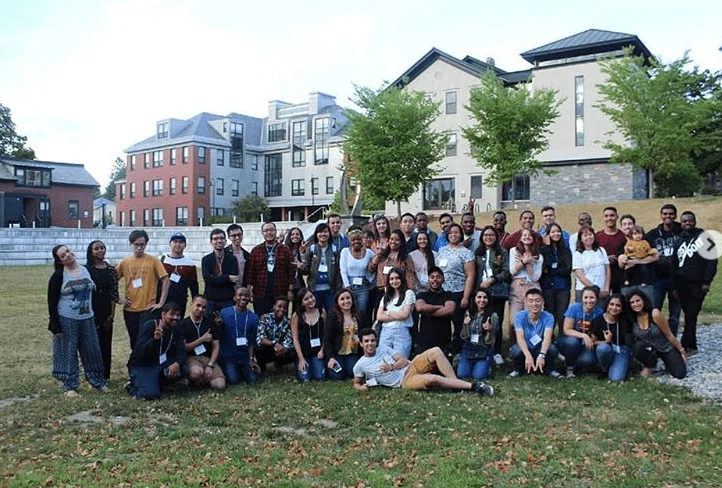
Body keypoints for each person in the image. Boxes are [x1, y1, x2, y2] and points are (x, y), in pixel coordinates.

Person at [352, 328, 493, 395]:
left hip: (410, 366)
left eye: (372, 340)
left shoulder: (383, 348)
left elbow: (401, 359)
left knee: (436, 351)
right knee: (432, 379)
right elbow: (356, 383)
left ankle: (456, 385)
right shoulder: (360, 364)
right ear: (361, 344)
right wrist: (361, 388)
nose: (370, 344)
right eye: (366, 341)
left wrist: (391, 366)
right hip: (404, 381)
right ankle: (474, 387)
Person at [48, 245, 107, 397]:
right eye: (63, 255)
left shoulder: (86, 269)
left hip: (87, 317)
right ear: (60, 261)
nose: (67, 255)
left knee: (92, 350)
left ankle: (97, 382)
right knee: (68, 351)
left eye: (68, 251)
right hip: (67, 319)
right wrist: (55, 323)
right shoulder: (58, 276)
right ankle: (70, 385)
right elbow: (52, 300)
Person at [671, 211, 718, 353]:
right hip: (681, 283)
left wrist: (706, 281)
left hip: (697, 283)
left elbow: (712, 260)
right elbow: (674, 263)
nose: (687, 223)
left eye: (690, 221)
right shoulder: (679, 239)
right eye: (684, 221)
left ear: (695, 221)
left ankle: (688, 344)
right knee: (687, 313)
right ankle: (689, 342)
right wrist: (673, 286)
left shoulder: (703, 237)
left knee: (692, 313)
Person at [116, 229, 169, 349]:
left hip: (148, 309)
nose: (139, 248)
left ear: (146, 244)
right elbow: (112, 281)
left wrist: (160, 303)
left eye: (142, 244)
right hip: (130, 310)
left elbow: (166, 280)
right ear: (130, 244)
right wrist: (118, 299)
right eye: (136, 244)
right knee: (134, 340)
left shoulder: (154, 261)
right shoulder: (125, 263)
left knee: (146, 339)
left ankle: (147, 365)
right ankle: (135, 365)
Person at [126, 302, 187, 399]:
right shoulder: (150, 326)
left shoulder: (176, 330)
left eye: (178, 315)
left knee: (183, 369)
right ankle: (132, 385)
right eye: (172, 314)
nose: (175, 317)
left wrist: (177, 363)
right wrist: (154, 340)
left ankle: (154, 383)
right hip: (143, 366)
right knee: (151, 395)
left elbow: (181, 351)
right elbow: (140, 351)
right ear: (163, 314)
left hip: (160, 364)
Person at [629, 290, 687, 379]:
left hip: (664, 347)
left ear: (643, 300)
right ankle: (650, 365)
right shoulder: (631, 318)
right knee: (637, 347)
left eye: (638, 301)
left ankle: (664, 362)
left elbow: (669, 334)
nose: (636, 304)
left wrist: (681, 349)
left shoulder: (654, 314)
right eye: (632, 302)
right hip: (648, 350)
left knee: (680, 373)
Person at [436, 223, 475, 354]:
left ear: (461, 234)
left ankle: (458, 351)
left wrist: (465, 296)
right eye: (451, 232)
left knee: (458, 324)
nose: (453, 235)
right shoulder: (441, 251)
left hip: (458, 292)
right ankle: (444, 350)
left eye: (456, 232)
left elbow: (470, 276)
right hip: (442, 292)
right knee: (442, 323)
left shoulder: (466, 253)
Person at [645, 204, 682, 335]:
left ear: (675, 215)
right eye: (665, 214)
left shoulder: (682, 233)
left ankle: (672, 341)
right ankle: (657, 339)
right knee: (655, 310)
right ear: (661, 215)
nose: (668, 216)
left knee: (675, 312)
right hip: (658, 278)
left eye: (671, 214)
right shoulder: (652, 234)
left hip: (677, 279)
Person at [508, 288, 562, 378]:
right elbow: (520, 337)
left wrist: (542, 355)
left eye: (537, 301)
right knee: (516, 350)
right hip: (525, 348)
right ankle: (518, 370)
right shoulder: (519, 316)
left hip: (539, 348)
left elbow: (547, 337)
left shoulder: (548, 317)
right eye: (531, 301)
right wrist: (528, 355)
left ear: (543, 301)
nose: (534, 304)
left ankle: (549, 370)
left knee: (552, 349)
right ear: (526, 302)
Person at [474, 225, 510, 357]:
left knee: (497, 321)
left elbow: (506, 272)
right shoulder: (478, 253)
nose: (488, 238)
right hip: (481, 292)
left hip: (497, 292)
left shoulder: (502, 252)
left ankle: (497, 352)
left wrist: (493, 279)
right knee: (482, 320)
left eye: (491, 235)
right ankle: (482, 348)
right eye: (486, 235)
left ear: (496, 237)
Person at [85, 239, 119, 380]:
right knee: (91, 343)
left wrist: (111, 315)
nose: (100, 251)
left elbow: (114, 293)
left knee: (105, 343)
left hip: (106, 308)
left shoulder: (111, 270)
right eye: (96, 249)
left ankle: (105, 375)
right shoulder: (86, 270)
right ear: (91, 252)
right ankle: (91, 373)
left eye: (102, 248)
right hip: (90, 309)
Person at [247, 222, 295, 317]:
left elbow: (291, 271)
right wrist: (249, 291)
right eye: (266, 230)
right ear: (262, 233)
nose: (269, 233)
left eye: (271, 230)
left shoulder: (285, 249)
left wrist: (290, 290)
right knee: (262, 319)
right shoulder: (256, 250)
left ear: (275, 231)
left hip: (281, 291)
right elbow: (250, 273)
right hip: (261, 292)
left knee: (280, 319)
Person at [557, 285, 604, 378]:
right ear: (581, 298)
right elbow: (566, 329)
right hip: (570, 339)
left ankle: (575, 363)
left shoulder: (600, 312)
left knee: (587, 360)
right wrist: (584, 335)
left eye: (592, 297)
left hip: (588, 343)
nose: (588, 301)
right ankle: (569, 368)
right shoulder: (574, 308)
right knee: (572, 342)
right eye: (586, 297)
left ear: (596, 299)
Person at [181, 295, 226, 390]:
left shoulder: (211, 324)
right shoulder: (183, 324)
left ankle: (203, 380)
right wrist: (202, 339)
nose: (200, 309)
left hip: (207, 358)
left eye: (204, 307)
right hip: (191, 358)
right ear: (191, 304)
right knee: (196, 373)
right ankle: (196, 379)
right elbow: (183, 348)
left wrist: (210, 365)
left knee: (220, 385)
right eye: (198, 305)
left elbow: (216, 347)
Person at [507, 228, 543, 345]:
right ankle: (514, 346)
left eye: (529, 235)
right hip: (517, 286)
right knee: (514, 320)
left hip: (532, 287)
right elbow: (512, 271)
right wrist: (522, 262)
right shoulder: (514, 251)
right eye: (524, 235)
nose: (527, 237)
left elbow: (535, 277)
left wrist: (527, 264)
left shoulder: (539, 256)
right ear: (521, 238)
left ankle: (533, 345)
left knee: (532, 319)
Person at [218, 288, 260, 384]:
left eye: (246, 295)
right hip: (228, 355)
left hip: (244, 356)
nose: (243, 297)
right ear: (234, 297)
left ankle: (243, 369)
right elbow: (218, 335)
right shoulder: (224, 313)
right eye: (240, 295)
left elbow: (252, 341)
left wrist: (251, 359)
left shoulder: (254, 318)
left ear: (249, 298)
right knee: (234, 380)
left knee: (252, 380)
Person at [369, 229, 417, 310]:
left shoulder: (405, 257)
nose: (393, 242)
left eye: (397, 240)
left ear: (401, 242)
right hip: (381, 291)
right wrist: (379, 254)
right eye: (391, 239)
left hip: (398, 292)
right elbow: (371, 268)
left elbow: (410, 276)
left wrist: (410, 293)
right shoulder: (383, 255)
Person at [457, 287, 498, 380]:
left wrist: (489, 330)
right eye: (479, 297)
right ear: (474, 299)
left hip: (484, 348)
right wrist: (465, 325)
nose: (482, 300)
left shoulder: (493, 316)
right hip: (469, 348)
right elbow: (464, 337)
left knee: (478, 376)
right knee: (462, 375)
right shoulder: (468, 313)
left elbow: (490, 342)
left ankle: (488, 366)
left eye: (485, 297)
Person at [539, 223, 572, 335]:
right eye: (553, 232)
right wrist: (547, 247)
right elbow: (545, 265)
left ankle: (563, 340)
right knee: (550, 314)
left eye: (558, 231)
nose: (556, 234)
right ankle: (549, 340)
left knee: (562, 314)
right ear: (548, 234)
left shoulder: (565, 249)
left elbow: (568, 269)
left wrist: (552, 270)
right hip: (548, 286)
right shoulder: (543, 249)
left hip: (563, 286)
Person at [376, 267, 416, 358]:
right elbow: (379, 317)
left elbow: (405, 315)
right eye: (391, 279)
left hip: (401, 333)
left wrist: (387, 313)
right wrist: (398, 314)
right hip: (385, 332)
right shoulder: (386, 297)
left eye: (397, 278)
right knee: (383, 360)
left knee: (400, 361)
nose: (394, 281)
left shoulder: (408, 293)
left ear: (402, 279)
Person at [415, 266, 456, 355]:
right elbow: (420, 308)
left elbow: (449, 310)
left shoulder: (448, 295)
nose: (435, 280)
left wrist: (428, 312)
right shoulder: (422, 295)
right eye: (432, 277)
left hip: (443, 341)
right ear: (428, 280)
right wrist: (440, 307)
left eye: (438, 277)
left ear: (443, 279)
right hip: (424, 342)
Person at [301, 223, 341, 313]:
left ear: (329, 234)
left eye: (325, 232)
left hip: (330, 290)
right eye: (320, 232)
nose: (323, 234)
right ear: (316, 234)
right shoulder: (311, 249)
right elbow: (306, 271)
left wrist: (338, 288)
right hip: (314, 289)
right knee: (316, 313)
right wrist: (301, 267)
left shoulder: (334, 249)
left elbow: (338, 270)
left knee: (331, 313)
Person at [591, 293, 631, 383]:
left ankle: (617, 366)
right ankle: (604, 369)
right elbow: (593, 342)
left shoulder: (625, 320)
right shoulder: (598, 320)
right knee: (603, 348)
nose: (614, 308)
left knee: (616, 378)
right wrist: (606, 341)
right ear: (607, 305)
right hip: (606, 349)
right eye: (611, 304)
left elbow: (629, 342)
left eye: (618, 305)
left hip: (621, 350)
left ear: (622, 308)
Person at [324, 288, 362, 379]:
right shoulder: (333, 317)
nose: (346, 301)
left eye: (348, 298)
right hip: (337, 352)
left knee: (352, 372)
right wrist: (331, 358)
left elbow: (365, 333)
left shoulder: (359, 314)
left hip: (353, 352)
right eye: (342, 299)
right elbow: (327, 339)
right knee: (337, 376)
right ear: (337, 302)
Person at [339, 227, 374, 327]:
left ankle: (361, 332)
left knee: (362, 311)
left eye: (358, 239)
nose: (356, 242)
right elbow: (343, 271)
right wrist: (347, 286)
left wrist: (370, 280)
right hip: (349, 285)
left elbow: (375, 267)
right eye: (353, 239)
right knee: (348, 310)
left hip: (363, 286)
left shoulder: (369, 253)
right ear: (350, 240)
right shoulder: (345, 252)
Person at [201, 228, 239, 320]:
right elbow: (208, 280)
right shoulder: (206, 259)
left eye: (221, 238)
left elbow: (235, 280)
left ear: (225, 241)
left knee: (227, 328)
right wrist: (227, 278)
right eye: (215, 239)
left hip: (228, 300)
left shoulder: (232, 259)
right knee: (210, 328)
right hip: (210, 301)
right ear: (211, 242)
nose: (219, 241)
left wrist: (216, 278)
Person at [291, 288, 327, 382]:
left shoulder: (322, 312)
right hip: (303, 353)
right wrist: (301, 359)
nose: (310, 300)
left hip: (318, 352)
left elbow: (326, 334)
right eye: (306, 299)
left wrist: (322, 350)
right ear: (301, 302)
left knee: (320, 376)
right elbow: (295, 339)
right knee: (305, 379)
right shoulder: (297, 316)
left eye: (311, 296)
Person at [161, 232, 199, 317]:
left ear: (185, 245)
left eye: (181, 242)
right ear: (170, 244)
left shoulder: (190, 264)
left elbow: (194, 286)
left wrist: (195, 303)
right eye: (175, 241)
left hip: (180, 301)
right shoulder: (161, 260)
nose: (178, 244)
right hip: (162, 300)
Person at [255, 296, 295, 370]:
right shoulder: (264, 317)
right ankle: (262, 366)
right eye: (279, 306)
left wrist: (283, 349)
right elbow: (260, 338)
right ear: (274, 306)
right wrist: (275, 344)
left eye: (284, 307)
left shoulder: (288, 322)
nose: (282, 309)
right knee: (259, 349)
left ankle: (279, 364)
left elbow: (288, 340)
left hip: (281, 350)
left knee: (292, 352)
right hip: (269, 347)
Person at [572, 225, 610, 302]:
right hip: (584, 291)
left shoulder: (601, 250)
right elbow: (581, 276)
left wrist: (606, 288)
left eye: (590, 234)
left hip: (602, 291)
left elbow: (607, 269)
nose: (588, 237)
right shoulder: (578, 254)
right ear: (581, 239)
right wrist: (595, 290)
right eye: (585, 235)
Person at [595, 207, 626, 293]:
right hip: (602, 276)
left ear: (617, 217)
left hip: (620, 276)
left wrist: (619, 258)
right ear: (603, 218)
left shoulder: (623, 236)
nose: (609, 218)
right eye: (606, 216)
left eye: (612, 215)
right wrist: (606, 259)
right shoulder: (598, 236)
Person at [284, 226, 308, 295]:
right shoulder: (285, 250)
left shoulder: (305, 250)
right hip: (286, 284)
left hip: (299, 284)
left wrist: (301, 253)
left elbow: (306, 271)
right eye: (292, 234)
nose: (295, 236)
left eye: (297, 234)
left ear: (301, 237)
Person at [226, 224, 250, 289]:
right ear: (229, 237)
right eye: (234, 236)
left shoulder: (246, 255)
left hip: (242, 290)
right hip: (227, 290)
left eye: (239, 234)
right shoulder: (224, 253)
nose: (237, 237)